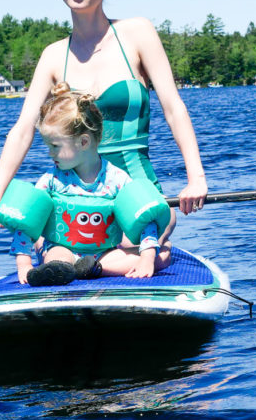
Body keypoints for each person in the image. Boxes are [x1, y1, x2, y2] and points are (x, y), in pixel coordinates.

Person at [0, 0, 208, 278]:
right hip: (74, 198)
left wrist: (196, 178)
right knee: (58, 248)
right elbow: (24, 127)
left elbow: (173, 107)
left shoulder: (138, 33)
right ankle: (77, 263)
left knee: (151, 251)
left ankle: (100, 264)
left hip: (135, 187)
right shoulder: (53, 55)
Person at [13, 86, 171, 285]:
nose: (49, 153)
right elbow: (27, 222)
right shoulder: (51, 180)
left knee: (138, 259)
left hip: (106, 253)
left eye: (55, 146)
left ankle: (94, 269)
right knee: (56, 258)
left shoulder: (117, 179)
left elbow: (145, 217)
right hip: (62, 248)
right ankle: (63, 270)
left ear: (84, 142)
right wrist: (24, 265)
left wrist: (147, 259)